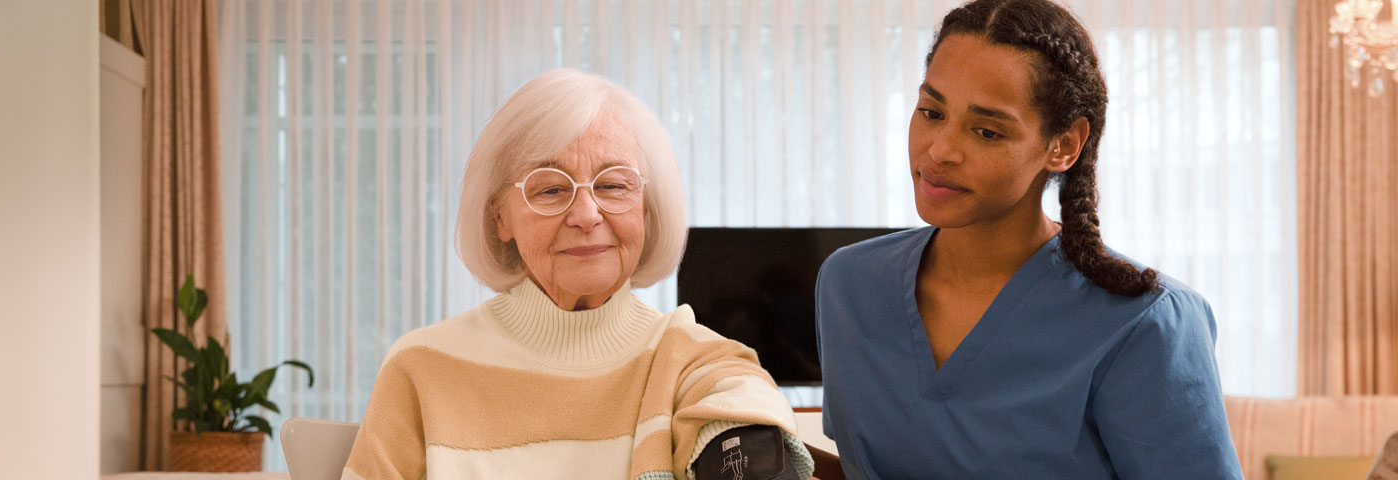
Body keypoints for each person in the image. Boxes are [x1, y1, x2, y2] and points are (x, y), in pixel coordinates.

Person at [814, 1, 1242, 478]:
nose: (940, 150)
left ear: (1062, 145)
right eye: (931, 111)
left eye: (986, 131)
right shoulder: (848, 285)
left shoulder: (1145, 323)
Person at [342, 68, 812, 480]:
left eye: (612, 185)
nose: (586, 214)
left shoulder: (700, 363)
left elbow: (741, 421)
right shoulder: (421, 368)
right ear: (500, 217)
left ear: (646, 211)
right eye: (549, 189)